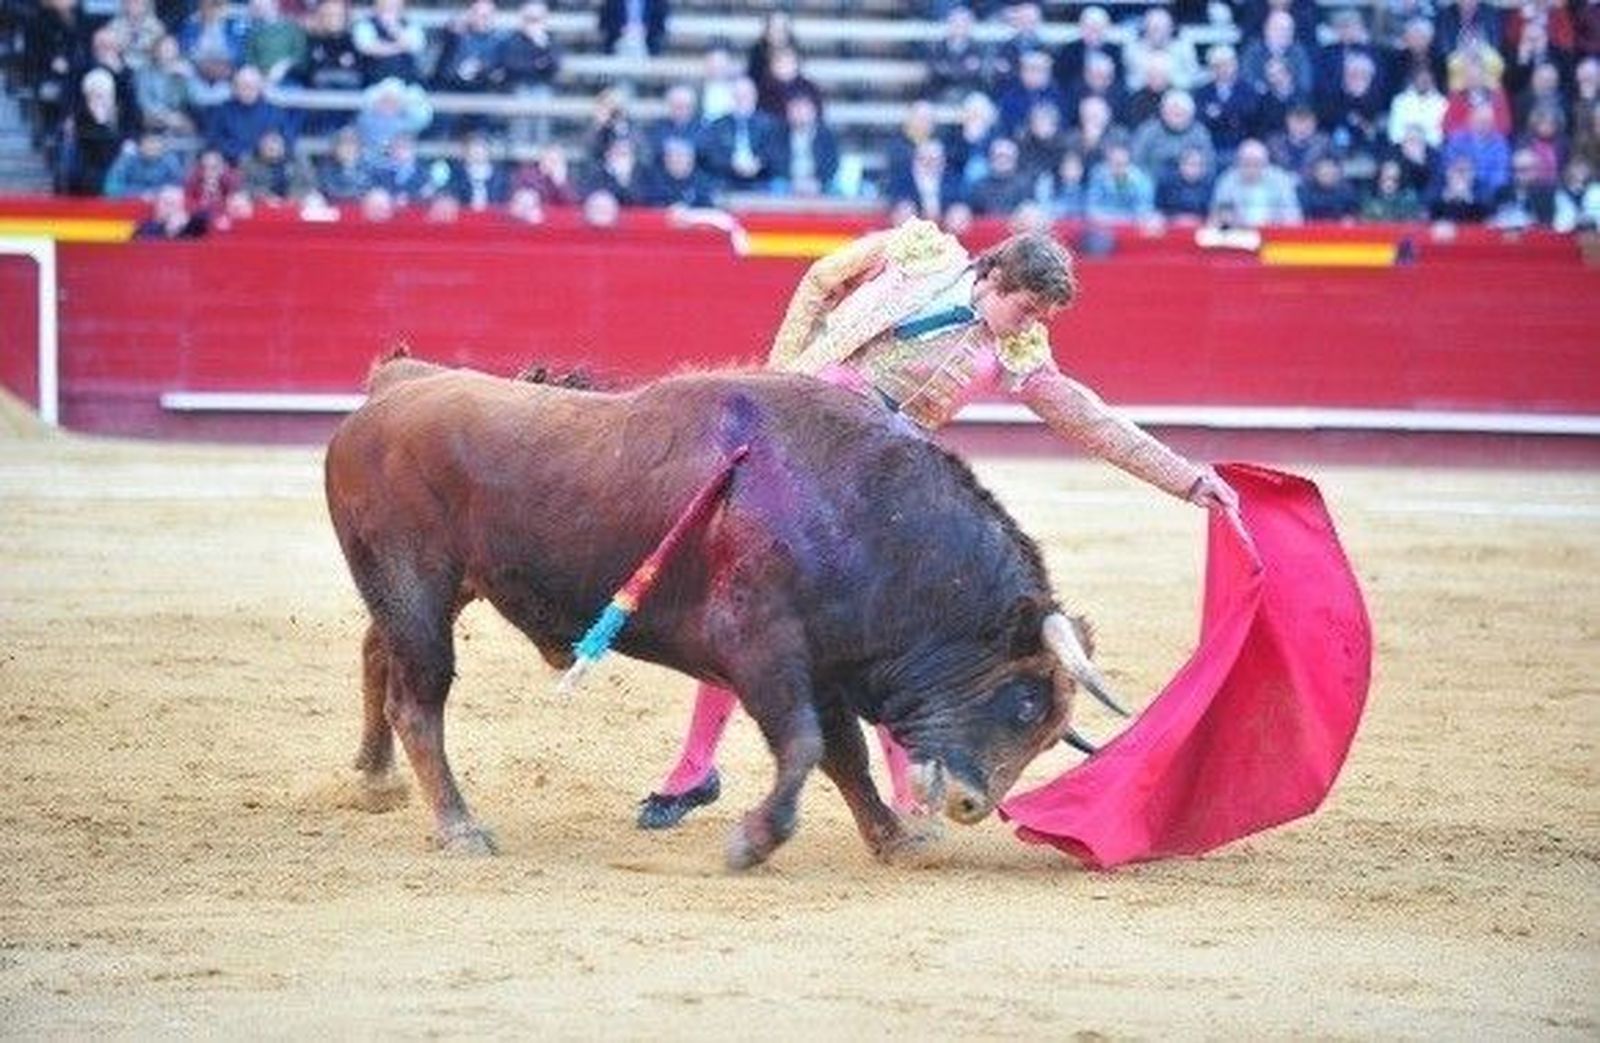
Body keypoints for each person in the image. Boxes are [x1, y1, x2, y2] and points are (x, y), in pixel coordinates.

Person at [636, 222, 1239, 829]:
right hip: (795, 445)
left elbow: (1091, 419)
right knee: (745, 600)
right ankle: (695, 769)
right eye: (1026, 309)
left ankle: (904, 797)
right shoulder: (921, 252)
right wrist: (779, 377)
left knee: (884, 633)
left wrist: (1187, 479)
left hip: (875, 485)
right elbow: (821, 279)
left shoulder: (1017, 352)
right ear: (996, 278)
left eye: (1042, 319)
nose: (1031, 327)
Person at [1209, 138, 1303, 226]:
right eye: (1246, 163)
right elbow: (1216, 218)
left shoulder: (1281, 180)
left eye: (1257, 163)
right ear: (1237, 162)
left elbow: (1293, 218)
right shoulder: (1227, 181)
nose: (1251, 169)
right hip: (1238, 236)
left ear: (1266, 163)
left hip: (1274, 235)